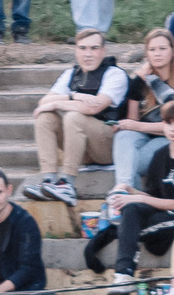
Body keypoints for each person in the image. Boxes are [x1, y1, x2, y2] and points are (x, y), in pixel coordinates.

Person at [90, 100, 174, 295]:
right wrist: (129, 190)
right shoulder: (160, 155)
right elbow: (151, 197)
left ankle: (121, 289)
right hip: (158, 217)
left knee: (127, 227)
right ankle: (123, 279)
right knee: (131, 208)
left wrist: (137, 197)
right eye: (169, 123)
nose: (173, 129)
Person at [27, 29, 129, 203]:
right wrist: (72, 96)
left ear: (103, 51)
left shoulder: (114, 74)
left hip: (107, 145)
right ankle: (49, 181)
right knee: (45, 117)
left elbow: (94, 107)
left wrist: (58, 103)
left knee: (74, 116)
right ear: (76, 51)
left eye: (93, 48)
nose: (87, 54)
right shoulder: (70, 74)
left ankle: (67, 183)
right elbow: (44, 102)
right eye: (82, 48)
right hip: (78, 145)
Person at [108, 28, 174, 191]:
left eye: (162, 49)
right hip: (143, 138)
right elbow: (132, 122)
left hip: (170, 137)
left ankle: (124, 194)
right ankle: (124, 191)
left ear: (172, 51)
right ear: (147, 54)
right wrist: (131, 126)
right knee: (124, 135)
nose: (157, 54)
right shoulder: (140, 81)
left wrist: (138, 126)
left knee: (130, 165)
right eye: (152, 49)